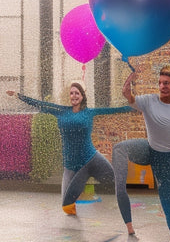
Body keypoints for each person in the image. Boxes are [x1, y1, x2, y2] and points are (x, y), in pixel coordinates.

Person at [7, 82, 133, 216]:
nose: (74, 96)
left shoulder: (89, 112)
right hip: (70, 164)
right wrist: (17, 95)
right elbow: (39, 103)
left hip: (91, 158)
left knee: (114, 179)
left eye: (77, 93)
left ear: (82, 96)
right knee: (66, 206)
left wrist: (135, 107)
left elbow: (112, 110)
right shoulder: (61, 111)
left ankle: (124, 205)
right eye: (72, 93)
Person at [122, 64, 170, 242]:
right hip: (160, 159)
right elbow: (131, 99)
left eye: (166, 83)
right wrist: (127, 91)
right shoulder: (149, 101)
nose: (162, 86)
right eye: (160, 83)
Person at [111, 137, 151, 236]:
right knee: (120, 187)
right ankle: (129, 227)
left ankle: (130, 227)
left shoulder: (162, 153)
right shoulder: (159, 151)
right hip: (121, 150)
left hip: (136, 151)